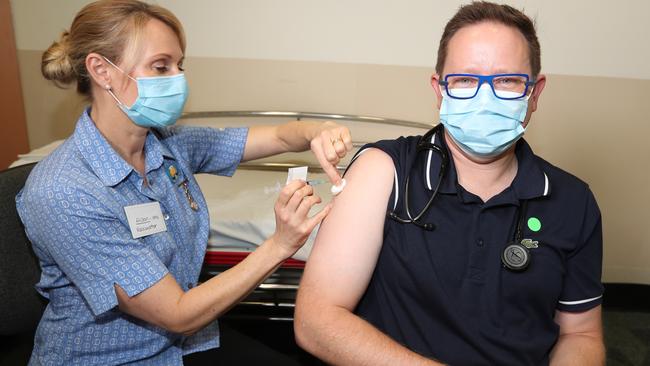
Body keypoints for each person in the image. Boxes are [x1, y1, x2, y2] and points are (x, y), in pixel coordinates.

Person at [16, 0, 353, 364]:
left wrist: (319, 131)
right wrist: (279, 244)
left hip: (183, 345)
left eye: (179, 66)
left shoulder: (166, 144)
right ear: (102, 70)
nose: (178, 80)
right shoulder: (63, 191)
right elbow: (177, 314)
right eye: (161, 66)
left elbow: (283, 138)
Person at [294, 2, 605, 365]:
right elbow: (317, 320)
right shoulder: (384, 171)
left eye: (507, 80)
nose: (485, 97)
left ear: (534, 94)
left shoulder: (573, 201)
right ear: (439, 90)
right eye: (465, 80)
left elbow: (580, 334)